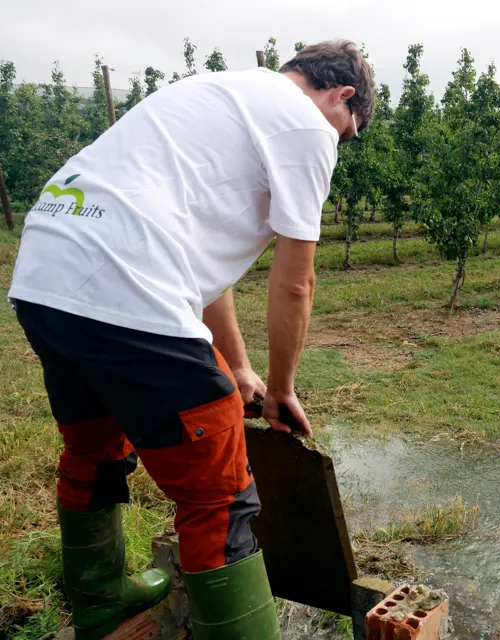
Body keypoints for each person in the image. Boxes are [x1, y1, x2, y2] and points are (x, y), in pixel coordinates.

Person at [8, 41, 374, 639]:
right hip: (126, 282)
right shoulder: (307, 125)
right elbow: (296, 283)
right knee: (219, 493)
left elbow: (205, 271)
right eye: (348, 132)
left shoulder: (212, 92)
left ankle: (102, 604)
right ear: (343, 96)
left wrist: (241, 369)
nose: (338, 144)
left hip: (47, 275)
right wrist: (281, 389)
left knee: (93, 449)